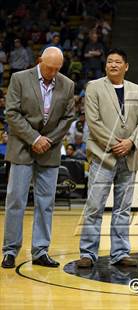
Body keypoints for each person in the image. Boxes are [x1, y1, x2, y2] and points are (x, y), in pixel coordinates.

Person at [1, 47, 75, 268]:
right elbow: (11, 113)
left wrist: (48, 140)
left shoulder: (68, 84)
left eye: (56, 69)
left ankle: (41, 250)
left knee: (46, 203)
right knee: (16, 201)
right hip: (23, 147)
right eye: (49, 68)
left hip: (49, 150)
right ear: (39, 60)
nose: (52, 73)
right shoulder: (19, 78)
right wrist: (34, 138)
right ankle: (10, 251)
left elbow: (68, 117)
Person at [76, 48, 138, 268]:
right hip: (102, 156)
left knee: (123, 208)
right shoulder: (94, 87)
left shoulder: (137, 90)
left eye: (118, 62)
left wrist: (131, 142)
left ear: (126, 66)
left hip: (130, 156)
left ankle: (120, 253)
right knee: (94, 206)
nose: (113, 65)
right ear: (105, 65)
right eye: (109, 62)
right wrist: (116, 144)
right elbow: (93, 121)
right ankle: (88, 253)